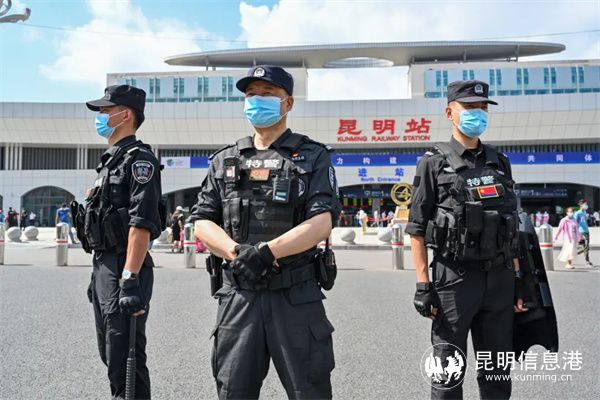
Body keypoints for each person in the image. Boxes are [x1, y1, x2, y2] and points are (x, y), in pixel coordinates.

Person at [190, 65, 341, 399]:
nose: (257, 100)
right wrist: (236, 252)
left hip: (295, 295)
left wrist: (267, 252)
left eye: (267, 94)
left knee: (310, 391)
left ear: (288, 103)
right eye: (251, 94)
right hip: (239, 296)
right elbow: (202, 220)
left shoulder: (313, 156)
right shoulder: (225, 160)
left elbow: (322, 221)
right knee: (233, 391)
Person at [407, 80, 527, 399]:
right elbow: (416, 229)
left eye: (483, 107)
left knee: (497, 373)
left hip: (499, 279)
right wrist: (423, 285)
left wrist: (520, 280)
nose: (478, 113)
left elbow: (512, 227)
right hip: (454, 281)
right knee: (447, 374)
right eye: (470, 107)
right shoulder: (433, 162)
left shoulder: (499, 162)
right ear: (450, 112)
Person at [77, 84, 164, 399]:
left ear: (125, 115)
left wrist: (130, 279)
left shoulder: (139, 160)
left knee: (125, 355)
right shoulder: (109, 162)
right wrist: (97, 276)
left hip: (124, 266)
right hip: (104, 266)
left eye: (105, 110)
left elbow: (141, 224)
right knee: (109, 351)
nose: (100, 116)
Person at [574, 199, 593, 267]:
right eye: (585, 204)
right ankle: (587, 261)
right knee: (586, 246)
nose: (586, 205)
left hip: (586, 231)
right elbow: (574, 223)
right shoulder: (577, 213)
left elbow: (585, 221)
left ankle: (573, 254)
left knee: (585, 247)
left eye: (586, 204)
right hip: (581, 232)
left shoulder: (584, 212)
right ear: (581, 205)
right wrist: (578, 233)